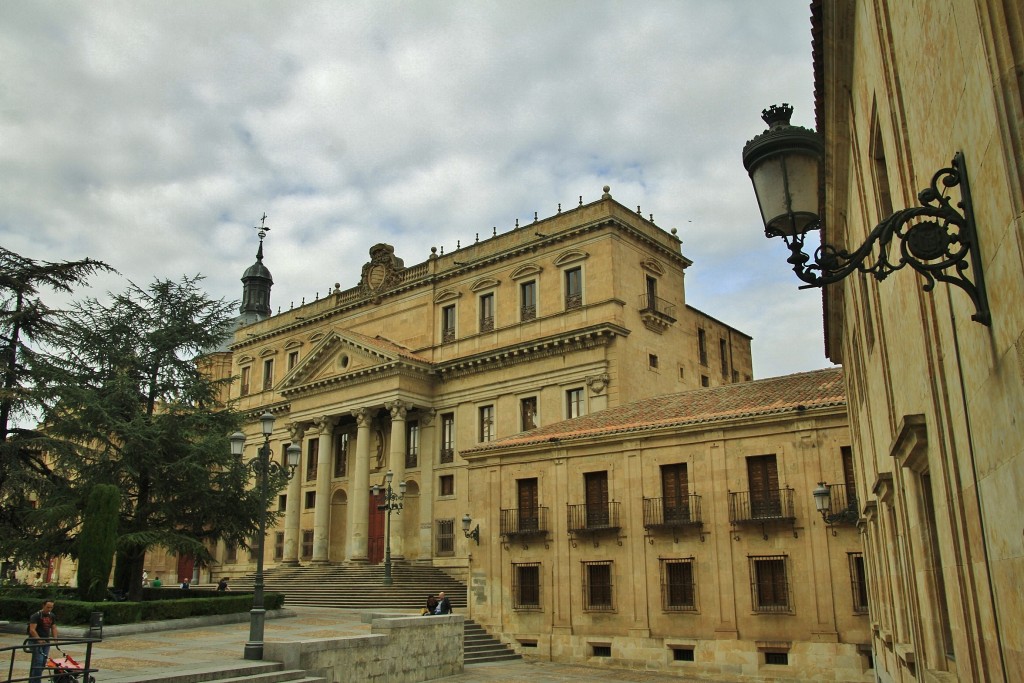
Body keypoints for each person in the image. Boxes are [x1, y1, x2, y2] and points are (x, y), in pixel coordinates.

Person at [27, 599, 57, 683]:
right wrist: (39, 639)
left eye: (51, 607)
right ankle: (35, 681)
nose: (49, 609)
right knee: (38, 662)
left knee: (43, 662)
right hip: (35, 641)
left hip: (46, 641)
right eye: (48, 607)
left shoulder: (52, 615)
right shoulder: (36, 616)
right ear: (43, 606)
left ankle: (33, 680)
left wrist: (56, 639)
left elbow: (53, 627)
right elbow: (32, 630)